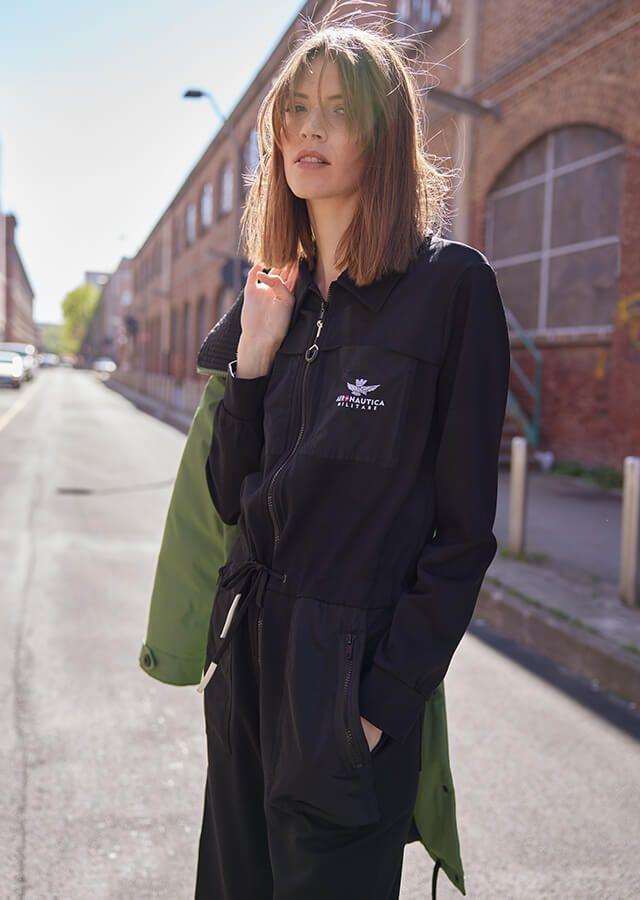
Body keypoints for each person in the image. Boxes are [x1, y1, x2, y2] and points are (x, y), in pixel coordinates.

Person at [194, 13, 511, 900]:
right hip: (246, 673)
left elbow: (461, 537)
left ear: (387, 131)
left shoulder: (450, 289)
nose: (310, 129)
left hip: (346, 693)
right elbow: (231, 500)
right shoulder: (271, 297)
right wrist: (252, 360)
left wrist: (376, 710)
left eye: (339, 108)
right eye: (295, 110)